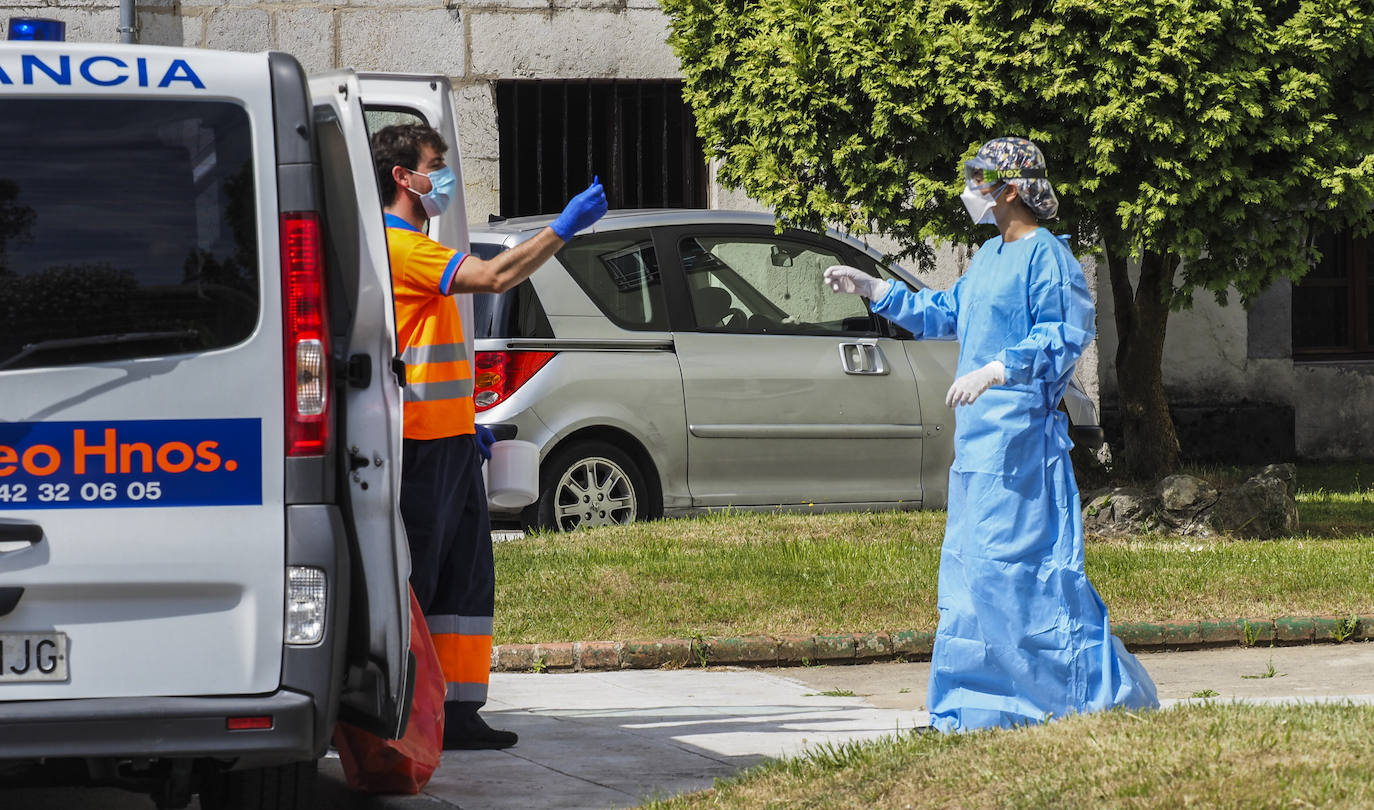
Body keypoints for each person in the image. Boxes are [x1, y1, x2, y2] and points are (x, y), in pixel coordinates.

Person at [823, 137, 1158, 733]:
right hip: (977, 449)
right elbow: (947, 311)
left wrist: (1001, 368)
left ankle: (1085, 695)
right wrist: (876, 290)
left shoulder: (1048, 258)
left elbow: (1064, 334)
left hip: (1023, 447)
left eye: (980, 178)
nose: (970, 188)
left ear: (1010, 189)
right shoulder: (988, 258)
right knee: (971, 577)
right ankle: (974, 707)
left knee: (1027, 576)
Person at [370, 123, 607, 749]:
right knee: (421, 582)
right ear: (404, 177)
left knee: (466, 579)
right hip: (419, 446)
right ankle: (407, 712)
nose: (443, 177)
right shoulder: (401, 248)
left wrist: (465, 421)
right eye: (435, 165)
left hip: (448, 437)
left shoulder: (413, 247)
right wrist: (564, 226)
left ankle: (458, 711)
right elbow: (498, 276)